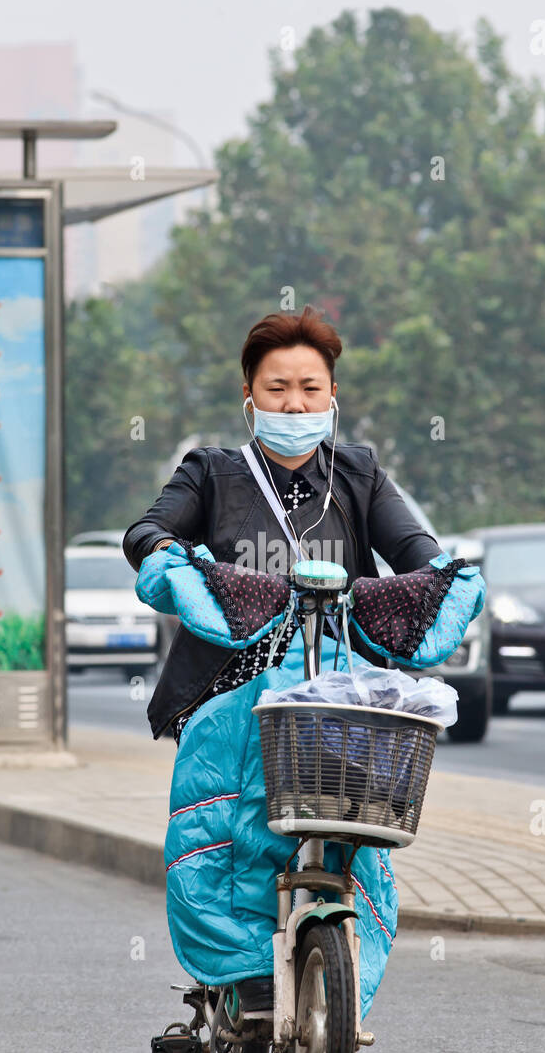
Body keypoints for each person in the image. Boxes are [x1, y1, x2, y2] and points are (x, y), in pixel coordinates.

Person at [123, 304, 441, 1015]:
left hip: (334, 693)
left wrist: (441, 579)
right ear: (249, 398)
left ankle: (335, 960)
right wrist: (164, 555)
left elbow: (417, 552)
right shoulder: (212, 473)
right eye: (276, 388)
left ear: (331, 397)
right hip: (226, 689)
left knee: (356, 834)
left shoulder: (358, 475)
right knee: (226, 832)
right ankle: (234, 968)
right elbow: (147, 528)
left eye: (308, 387)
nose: (293, 403)